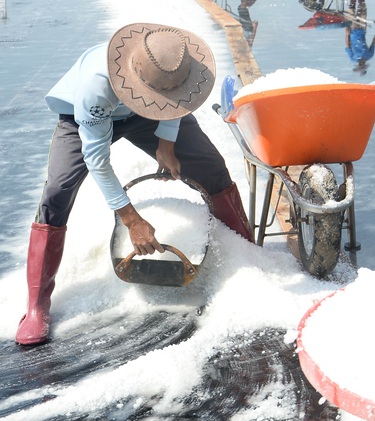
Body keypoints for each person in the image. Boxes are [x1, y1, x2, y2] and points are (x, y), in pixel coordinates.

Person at [16, 23, 253, 346]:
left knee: (211, 167)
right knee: (58, 191)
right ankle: (36, 306)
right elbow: (97, 159)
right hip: (85, 118)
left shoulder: (171, 62)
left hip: (151, 115)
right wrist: (132, 219)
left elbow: (175, 99)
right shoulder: (95, 88)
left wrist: (166, 142)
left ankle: (248, 263)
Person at [344, 0, 375, 74]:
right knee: (362, 7)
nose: (362, 64)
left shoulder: (353, 58)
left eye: (360, 65)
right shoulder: (369, 55)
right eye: (363, 65)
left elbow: (347, 45)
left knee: (351, 8)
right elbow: (374, 42)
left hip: (352, 30)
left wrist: (347, 33)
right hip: (362, 28)